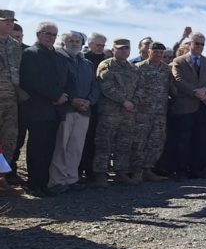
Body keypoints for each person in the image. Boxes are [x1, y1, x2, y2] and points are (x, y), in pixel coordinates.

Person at [19, 22, 69, 196]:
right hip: (38, 109)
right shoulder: (30, 54)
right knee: (37, 149)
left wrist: (62, 96)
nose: (51, 38)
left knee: (49, 149)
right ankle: (33, 185)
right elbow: (31, 81)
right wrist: (55, 96)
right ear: (39, 34)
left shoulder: (57, 56)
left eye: (54, 35)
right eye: (48, 34)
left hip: (55, 110)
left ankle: (43, 183)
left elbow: (63, 79)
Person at [48, 31, 100, 194]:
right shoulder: (58, 60)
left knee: (76, 147)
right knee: (61, 147)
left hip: (84, 111)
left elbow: (95, 86)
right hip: (66, 110)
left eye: (77, 41)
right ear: (64, 42)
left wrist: (89, 101)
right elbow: (58, 85)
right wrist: (73, 100)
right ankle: (57, 181)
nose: (75, 43)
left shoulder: (87, 64)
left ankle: (71, 179)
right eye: (70, 40)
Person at [170, 32, 206, 179]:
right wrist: (194, 92)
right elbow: (177, 79)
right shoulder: (179, 61)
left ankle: (198, 169)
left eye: (202, 44)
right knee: (183, 140)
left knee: (201, 139)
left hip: (204, 106)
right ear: (190, 44)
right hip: (185, 106)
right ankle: (181, 170)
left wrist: (205, 90)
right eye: (197, 43)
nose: (199, 46)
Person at [93, 38, 140, 186]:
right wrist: (124, 101)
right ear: (113, 50)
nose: (123, 51)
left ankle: (120, 172)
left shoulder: (134, 69)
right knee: (104, 143)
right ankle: (100, 174)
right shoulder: (106, 65)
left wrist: (134, 102)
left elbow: (140, 88)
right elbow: (107, 87)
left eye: (126, 48)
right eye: (120, 48)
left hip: (128, 113)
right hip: (110, 112)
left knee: (124, 143)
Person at [133, 41, 174, 182]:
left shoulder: (166, 69)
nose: (158, 55)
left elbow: (172, 88)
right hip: (141, 112)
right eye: (155, 52)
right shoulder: (138, 68)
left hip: (159, 112)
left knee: (156, 141)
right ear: (149, 52)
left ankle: (147, 169)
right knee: (139, 141)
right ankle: (136, 171)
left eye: (161, 53)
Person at [79, 32, 107, 182]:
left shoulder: (106, 60)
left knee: (95, 140)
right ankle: (78, 170)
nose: (100, 48)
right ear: (89, 45)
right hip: (84, 104)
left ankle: (91, 170)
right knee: (82, 139)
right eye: (98, 45)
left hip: (100, 106)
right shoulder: (83, 59)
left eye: (103, 45)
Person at [0, 9, 22, 191]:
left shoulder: (15, 46)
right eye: (5, 21)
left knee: (9, 140)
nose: (9, 24)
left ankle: (2, 179)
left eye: (11, 21)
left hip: (11, 100)